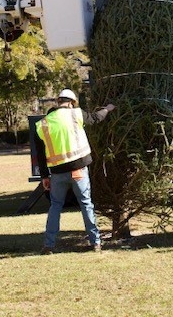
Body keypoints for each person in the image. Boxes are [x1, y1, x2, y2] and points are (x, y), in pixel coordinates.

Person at [35, 88, 115, 254]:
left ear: (58, 102)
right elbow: (95, 118)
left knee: (55, 206)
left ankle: (49, 245)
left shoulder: (42, 124)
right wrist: (108, 109)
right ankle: (96, 243)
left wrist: (44, 176)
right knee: (86, 204)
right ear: (71, 103)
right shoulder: (76, 114)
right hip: (78, 170)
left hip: (57, 173)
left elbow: (41, 154)